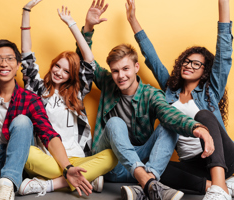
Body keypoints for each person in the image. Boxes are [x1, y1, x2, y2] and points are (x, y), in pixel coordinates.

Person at [0, 0, 93, 199]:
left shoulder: (29, 98)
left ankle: (8, 186)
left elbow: (49, 134)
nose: (4, 63)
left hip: (14, 160)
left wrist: (67, 168)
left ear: (17, 64)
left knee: (22, 120)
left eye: (10, 59)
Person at [76, 0, 216, 199]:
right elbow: (86, 60)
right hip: (111, 163)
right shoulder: (108, 82)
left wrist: (198, 128)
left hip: (144, 164)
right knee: (115, 123)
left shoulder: (151, 94)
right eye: (115, 71)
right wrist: (88, 27)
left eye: (125, 69)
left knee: (168, 125)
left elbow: (170, 114)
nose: (120, 76)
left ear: (135, 68)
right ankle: (149, 182)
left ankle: (146, 184)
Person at [125, 0, 234, 199]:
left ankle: (220, 189)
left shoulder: (210, 92)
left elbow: (224, 53)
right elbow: (152, 58)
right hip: (193, 164)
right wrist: (133, 20)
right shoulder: (169, 91)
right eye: (186, 61)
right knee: (154, 167)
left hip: (222, 157)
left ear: (205, 72)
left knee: (203, 115)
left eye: (196, 64)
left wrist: (223, 4)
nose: (189, 65)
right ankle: (217, 186)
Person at [18, 0, 117, 196]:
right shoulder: (37, 89)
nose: (59, 73)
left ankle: (49, 185)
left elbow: (89, 61)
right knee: (25, 153)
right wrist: (26, 10)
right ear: (52, 65)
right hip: (49, 159)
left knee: (113, 156)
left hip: (78, 159)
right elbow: (27, 54)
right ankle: (87, 178)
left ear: (72, 75)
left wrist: (72, 24)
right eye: (57, 66)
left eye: (66, 71)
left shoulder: (77, 92)